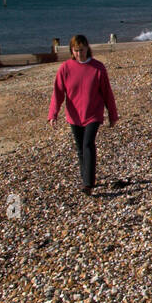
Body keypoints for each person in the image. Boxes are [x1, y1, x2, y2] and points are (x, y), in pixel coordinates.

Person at [47, 34, 118, 193]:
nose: (80, 53)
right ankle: (85, 177)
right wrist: (53, 114)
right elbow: (58, 93)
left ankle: (88, 183)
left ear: (87, 48)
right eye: (76, 50)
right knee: (80, 148)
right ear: (72, 51)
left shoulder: (98, 68)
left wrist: (113, 115)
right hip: (74, 115)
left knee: (88, 144)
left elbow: (107, 93)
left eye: (82, 50)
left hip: (93, 114)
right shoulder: (65, 68)